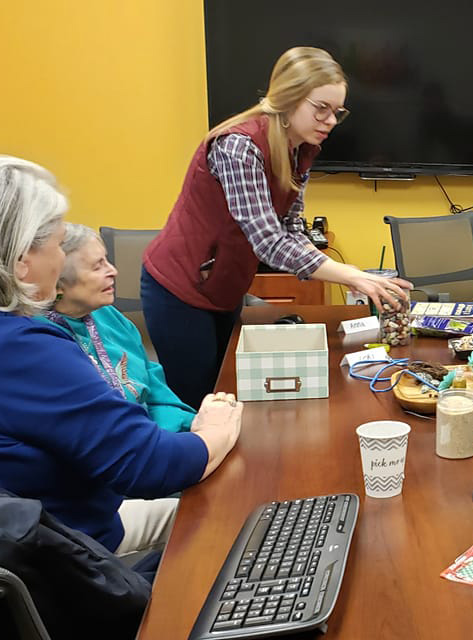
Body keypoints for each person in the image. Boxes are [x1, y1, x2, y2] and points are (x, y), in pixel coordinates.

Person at [141, 46, 412, 409]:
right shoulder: (238, 147)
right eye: (321, 108)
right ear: (288, 97)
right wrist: (350, 277)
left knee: (226, 393)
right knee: (197, 405)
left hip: (220, 288)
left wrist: (352, 274)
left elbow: (291, 228)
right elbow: (269, 241)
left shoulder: (299, 151)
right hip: (178, 291)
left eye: (337, 112)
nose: (330, 120)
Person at [0, 155, 243, 557]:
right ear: (23, 262)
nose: (61, 261)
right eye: (60, 246)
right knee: (235, 514)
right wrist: (218, 430)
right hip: (80, 552)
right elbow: (149, 465)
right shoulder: (27, 350)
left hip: (58, 532)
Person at [37, 223, 195, 432]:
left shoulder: (107, 314)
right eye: (97, 266)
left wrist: (199, 425)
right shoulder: (38, 340)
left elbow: (158, 393)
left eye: (107, 261)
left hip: (157, 437)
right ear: (57, 283)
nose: (113, 271)